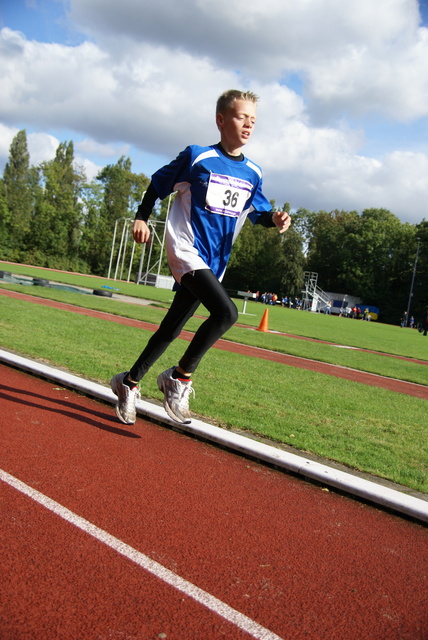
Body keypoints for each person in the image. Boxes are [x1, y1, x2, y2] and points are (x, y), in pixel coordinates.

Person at [110, 89, 291, 425]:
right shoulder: (198, 157)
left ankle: (128, 382)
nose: (248, 124)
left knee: (171, 328)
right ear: (221, 120)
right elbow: (158, 183)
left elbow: (258, 212)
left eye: (253, 120)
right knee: (226, 313)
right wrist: (141, 217)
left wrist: (275, 219)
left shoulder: (253, 172)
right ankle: (179, 378)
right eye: (241, 117)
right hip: (186, 249)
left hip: (214, 262)